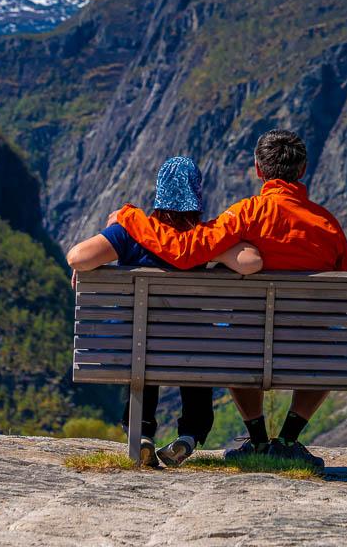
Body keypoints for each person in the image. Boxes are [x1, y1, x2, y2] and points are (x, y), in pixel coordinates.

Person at [112, 130, 347, 470]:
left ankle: (258, 438)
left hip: (248, 348)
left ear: (258, 169)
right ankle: (288, 440)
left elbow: (183, 251)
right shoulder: (329, 226)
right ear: (303, 169)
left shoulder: (246, 215)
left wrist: (129, 218)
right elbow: (340, 297)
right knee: (327, 342)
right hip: (311, 350)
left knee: (234, 336)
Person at [66, 156, 263, 467]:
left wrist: (120, 222)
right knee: (195, 341)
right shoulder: (204, 239)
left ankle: (141, 432)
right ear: (197, 195)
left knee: (143, 342)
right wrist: (221, 235)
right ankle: (191, 434)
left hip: (134, 346)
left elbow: (78, 257)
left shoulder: (130, 232)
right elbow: (250, 262)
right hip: (191, 346)